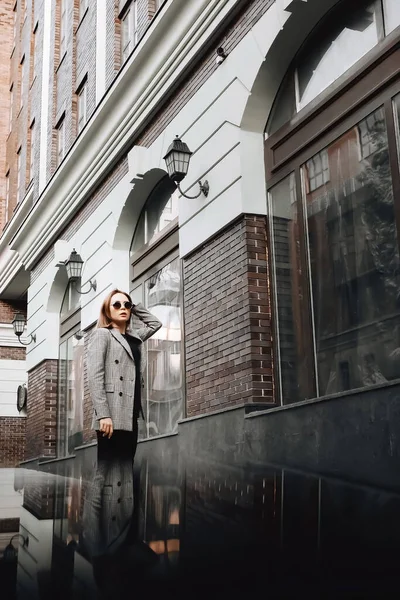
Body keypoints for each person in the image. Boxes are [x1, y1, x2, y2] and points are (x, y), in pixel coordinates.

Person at [87, 289, 162, 459]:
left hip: (131, 411)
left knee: (126, 467)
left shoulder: (135, 337)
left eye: (126, 305)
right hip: (111, 412)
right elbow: (95, 376)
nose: (123, 308)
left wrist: (133, 306)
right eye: (117, 304)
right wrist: (103, 414)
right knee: (108, 470)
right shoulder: (102, 334)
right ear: (107, 309)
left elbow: (155, 324)